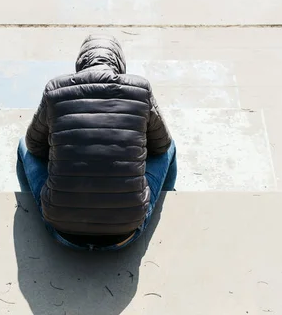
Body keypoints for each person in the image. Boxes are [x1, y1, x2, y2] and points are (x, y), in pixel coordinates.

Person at [16, 34, 176, 251]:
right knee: (170, 147)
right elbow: (161, 146)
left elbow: (34, 146)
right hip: (126, 231)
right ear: (120, 64)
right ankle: (168, 201)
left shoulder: (55, 89)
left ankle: (31, 205)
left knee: (23, 145)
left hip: (62, 229)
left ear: (80, 63)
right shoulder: (140, 89)